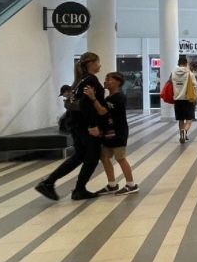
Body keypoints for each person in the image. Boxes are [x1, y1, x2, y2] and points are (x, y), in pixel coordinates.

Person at [35, 52, 108, 201]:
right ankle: (79, 189)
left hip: (76, 125)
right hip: (86, 126)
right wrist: (93, 125)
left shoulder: (80, 81)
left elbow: (74, 104)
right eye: (98, 62)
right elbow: (86, 105)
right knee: (92, 158)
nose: (100, 65)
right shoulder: (90, 80)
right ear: (91, 63)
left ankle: (48, 182)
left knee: (79, 156)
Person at [98, 72, 138, 195]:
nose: (106, 81)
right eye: (105, 78)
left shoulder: (119, 97)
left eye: (109, 79)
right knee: (104, 157)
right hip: (107, 132)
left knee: (120, 158)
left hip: (118, 132)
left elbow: (103, 111)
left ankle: (131, 185)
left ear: (118, 82)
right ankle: (112, 185)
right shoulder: (107, 98)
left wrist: (93, 98)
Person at [170, 54, 197, 143]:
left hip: (177, 100)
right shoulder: (189, 73)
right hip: (188, 99)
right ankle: (184, 131)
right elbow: (195, 86)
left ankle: (182, 134)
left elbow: (171, 85)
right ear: (186, 63)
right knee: (189, 120)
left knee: (181, 119)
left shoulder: (173, 73)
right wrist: (195, 97)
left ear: (178, 63)